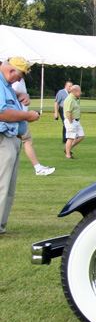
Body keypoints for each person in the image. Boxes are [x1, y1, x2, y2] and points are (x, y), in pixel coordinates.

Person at [0, 57, 44, 235]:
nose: (19, 81)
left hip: (11, 137)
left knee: (8, 185)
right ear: (11, 71)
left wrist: (18, 95)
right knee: (2, 184)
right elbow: (1, 112)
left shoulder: (6, 85)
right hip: (3, 138)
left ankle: (1, 226)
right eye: (20, 76)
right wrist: (27, 116)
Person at [11, 75, 54, 176]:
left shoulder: (19, 81)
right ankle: (37, 167)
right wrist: (26, 115)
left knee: (23, 142)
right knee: (26, 141)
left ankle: (37, 167)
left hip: (21, 118)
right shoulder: (16, 83)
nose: (29, 71)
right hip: (19, 118)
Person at [63, 85, 84, 159]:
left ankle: (68, 149)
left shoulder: (75, 99)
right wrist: (71, 122)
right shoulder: (70, 99)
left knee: (81, 136)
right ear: (74, 92)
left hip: (77, 121)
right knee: (70, 137)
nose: (80, 93)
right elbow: (68, 112)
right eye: (79, 91)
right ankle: (68, 155)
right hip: (71, 121)